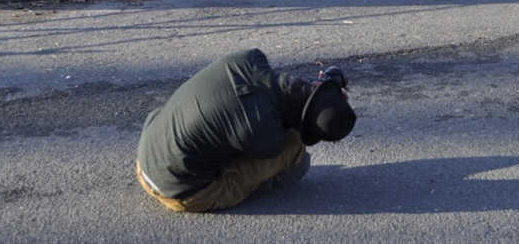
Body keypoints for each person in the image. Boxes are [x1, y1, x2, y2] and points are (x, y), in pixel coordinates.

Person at [136, 48, 356, 212]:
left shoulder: (252, 58)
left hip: (146, 153)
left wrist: (320, 95)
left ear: (318, 79)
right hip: (180, 192)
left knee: (223, 121)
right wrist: (322, 118)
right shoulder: (269, 138)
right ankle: (257, 185)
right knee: (297, 152)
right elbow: (287, 131)